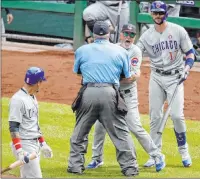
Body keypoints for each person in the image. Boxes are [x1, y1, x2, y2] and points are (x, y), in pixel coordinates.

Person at [86, 23, 165, 172]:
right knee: (100, 126)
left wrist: (109, 77)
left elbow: (132, 78)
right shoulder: (112, 48)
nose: (128, 37)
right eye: (126, 34)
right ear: (120, 34)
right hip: (110, 93)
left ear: (134, 37)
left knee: (134, 126)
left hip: (127, 95)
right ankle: (97, 158)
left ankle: (157, 155)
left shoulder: (135, 51)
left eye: (131, 35)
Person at [67, 21, 139, 177]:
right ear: (109, 34)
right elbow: (126, 76)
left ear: (93, 34)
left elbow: (78, 73)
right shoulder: (121, 51)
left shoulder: (81, 50)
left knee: (80, 132)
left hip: (89, 92)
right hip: (110, 93)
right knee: (121, 133)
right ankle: (130, 168)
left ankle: (75, 166)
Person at [136, 1, 195, 168]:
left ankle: (184, 150)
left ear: (166, 13)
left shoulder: (177, 31)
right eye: (154, 13)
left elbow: (190, 53)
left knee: (177, 116)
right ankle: (154, 154)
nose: (157, 16)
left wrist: (187, 68)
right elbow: (136, 52)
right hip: (156, 77)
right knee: (155, 116)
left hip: (176, 78)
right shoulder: (147, 35)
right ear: (151, 14)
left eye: (160, 13)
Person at [8, 67, 53, 178]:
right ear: (38, 82)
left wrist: (43, 143)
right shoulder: (18, 100)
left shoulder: (32, 97)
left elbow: (33, 125)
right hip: (24, 145)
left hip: (34, 145)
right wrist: (20, 151)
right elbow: (13, 127)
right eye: (41, 82)